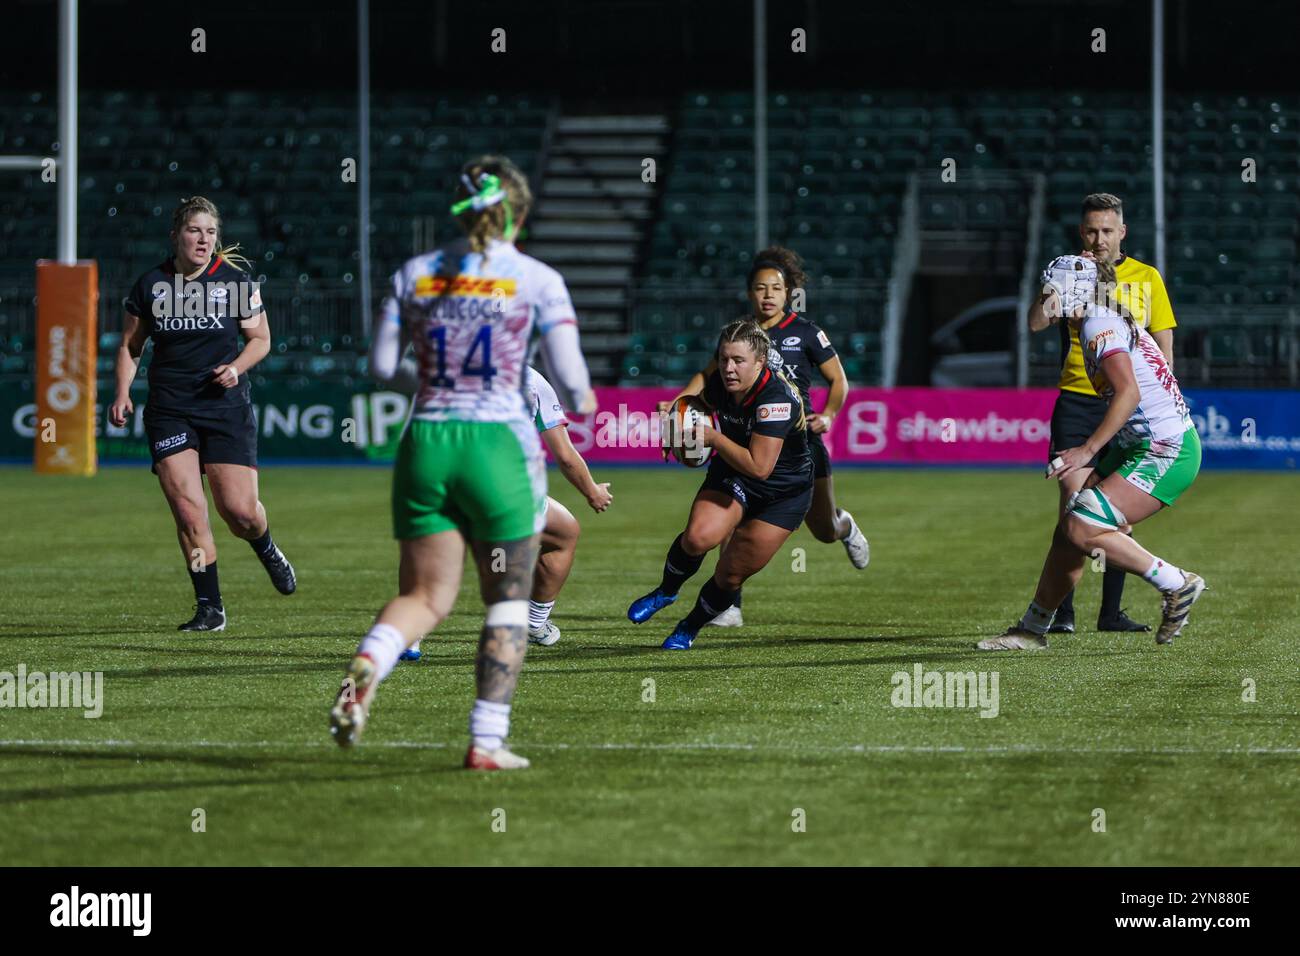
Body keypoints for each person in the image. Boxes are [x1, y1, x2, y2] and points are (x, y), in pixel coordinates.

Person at [329, 156, 596, 771]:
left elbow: (381, 367)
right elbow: (574, 383)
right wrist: (581, 401)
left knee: (426, 594)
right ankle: (486, 739)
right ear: (519, 215)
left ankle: (369, 662)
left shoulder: (415, 273)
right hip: (496, 446)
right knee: (505, 600)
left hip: (426, 441)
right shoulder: (537, 279)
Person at [980, 255, 1205, 651]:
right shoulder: (1102, 316)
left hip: (1163, 449)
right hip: (1146, 443)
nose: (1047, 295)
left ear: (1074, 292)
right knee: (1071, 529)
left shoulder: (1099, 325)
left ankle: (1176, 582)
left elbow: (1129, 393)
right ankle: (1032, 630)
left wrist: (1087, 450)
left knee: (1082, 528)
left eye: (1053, 288)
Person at [109, 196, 296, 633]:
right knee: (190, 514)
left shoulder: (235, 282)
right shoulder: (150, 285)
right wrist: (121, 392)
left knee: (240, 513)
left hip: (224, 407)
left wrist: (236, 368)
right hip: (170, 409)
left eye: (211, 232)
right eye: (195, 230)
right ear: (176, 234)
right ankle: (209, 607)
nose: (203, 239)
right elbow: (130, 347)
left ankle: (266, 546)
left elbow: (262, 339)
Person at [663, 246, 868, 627]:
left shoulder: (806, 333)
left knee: (822, 530)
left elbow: (838, 380)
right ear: (749, 293)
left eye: (776, 288)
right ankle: (729, 605)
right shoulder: (740, 336)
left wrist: (829, 414)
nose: (768, 295)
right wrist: (680, 404)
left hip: (799, 443)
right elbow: (707, 377)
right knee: (733, 514)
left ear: (789, 291)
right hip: (746, 435)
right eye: (760, 288)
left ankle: (845, 525)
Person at [1027, 193, 1178, 634]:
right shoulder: (1071, 272)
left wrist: (1167, 396)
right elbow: (1037, 322)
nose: (1099, 239)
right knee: (1076, 508)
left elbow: (1163, 344)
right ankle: (1062, 615)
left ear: (1122, 233)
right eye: (1091, 230)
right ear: (1082, 232)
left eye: (1107, 231)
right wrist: (1056, 287)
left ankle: (1110, 613)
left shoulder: (1146, 277)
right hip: (1077, 400)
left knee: (1116, 515)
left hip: (1129, 407)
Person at [400, 364, 612, 659]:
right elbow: (564, 456)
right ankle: (534, 623)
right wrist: (592, 492)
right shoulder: (530, 378)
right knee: (565, 534)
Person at [629, 319, 814, 650]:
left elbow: (759, 467)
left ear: (759, 362)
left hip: (784, 493)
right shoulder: (721, 383)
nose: (728, 367)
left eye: (738, 360)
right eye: (724, 358)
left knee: (730, 574)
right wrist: (676, 423)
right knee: (699, 537)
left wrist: (713, 437)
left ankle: (689, 626)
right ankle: (666, 591)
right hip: (733, 473)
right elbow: (699, 406)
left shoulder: (776, 399)